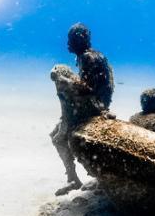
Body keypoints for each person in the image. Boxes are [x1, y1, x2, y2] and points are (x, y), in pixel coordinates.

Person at [49, 23, 114, 195]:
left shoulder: (87, 58)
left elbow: (87, 89)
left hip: (92, 108)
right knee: (56, 136)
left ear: (79, 40)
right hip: (98, 105)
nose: (68, 44)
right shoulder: (93, 55)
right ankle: (73, 179)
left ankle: (73, 180)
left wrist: (62, 79)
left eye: (70, 40)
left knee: (58, 138)